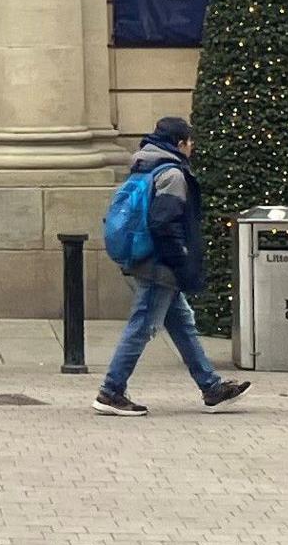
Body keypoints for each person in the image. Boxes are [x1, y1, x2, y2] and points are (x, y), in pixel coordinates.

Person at [92, 115, 253, 418]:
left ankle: (212, 388)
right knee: (142, 326)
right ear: (181, 143)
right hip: (160, 264)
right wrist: (179, 259)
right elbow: (163, 222)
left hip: (147, 259)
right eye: (191, 142)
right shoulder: (172, 175)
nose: (192, 148)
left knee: (183, 324)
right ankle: (111, 391)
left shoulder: (143, 166)